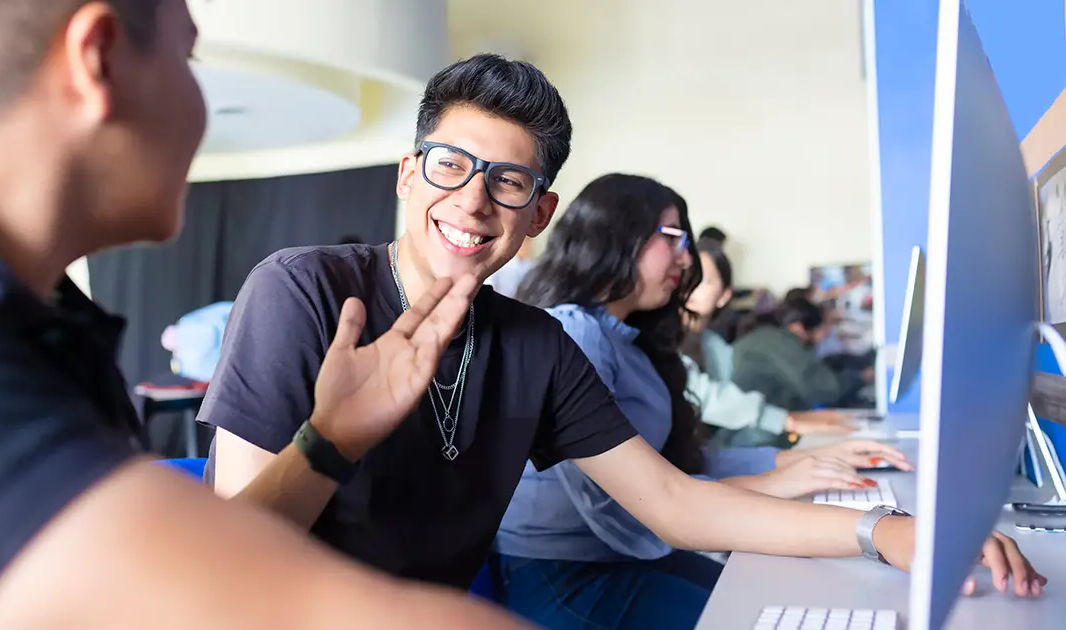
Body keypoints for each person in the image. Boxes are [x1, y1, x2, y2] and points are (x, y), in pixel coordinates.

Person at [201, 53, 1044, 609]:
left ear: (540, 215)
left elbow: (674, 502)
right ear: (407, 174)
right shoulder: (303, 291)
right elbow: (225, 561)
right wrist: (330, 441)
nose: (471, 201)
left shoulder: (536, 345)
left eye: (508, 182)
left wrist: (884, 532)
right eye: (450, 166)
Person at [0, 2, 539, 628]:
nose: (203, 111)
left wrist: (328, 441)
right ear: (97, 59)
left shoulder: (20, 316)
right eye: (188, 61)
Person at [495, 174, 911, 628]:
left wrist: (795, 460)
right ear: (616, 234)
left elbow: (675, 461)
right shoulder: (575, 332)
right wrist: (865, 525)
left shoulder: (629, 340)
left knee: (795, 593)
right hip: (566, 572)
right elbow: (647, 500)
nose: (686, 258)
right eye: (673, 237)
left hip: (623, 554)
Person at [683, 238, 859, 447]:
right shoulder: (667, 338)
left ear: (724, 296)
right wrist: (788, 421)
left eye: (703, 280)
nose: (691, 286)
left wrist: (791, 421)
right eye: (686, 276)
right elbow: (708, 397)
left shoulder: (714, 345)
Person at [732, 297, 873, 410]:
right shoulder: (779, 343)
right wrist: (863, 378)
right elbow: (821, 387)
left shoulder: (767, 337)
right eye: (823, 329)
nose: (825, 335)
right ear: (798, 328)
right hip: (759, 427)